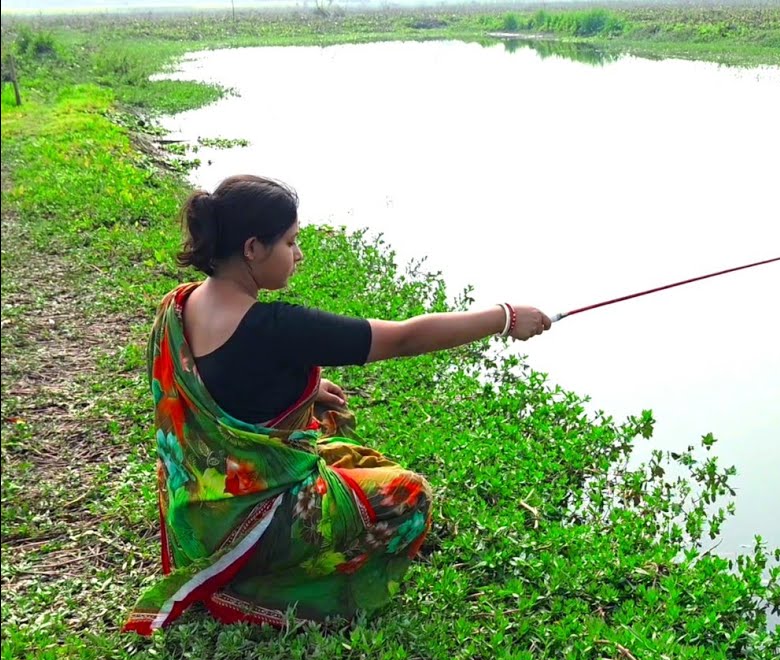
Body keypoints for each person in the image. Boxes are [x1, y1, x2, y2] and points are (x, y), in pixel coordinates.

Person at [123, 174, 552, 635]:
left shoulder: (178, 305)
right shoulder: (278, 327)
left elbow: (228, 382)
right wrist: (504, 318)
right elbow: (404, 337)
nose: (299, 254)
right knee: (408, 493)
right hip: (253, 525)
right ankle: (267, 578)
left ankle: (261, 539)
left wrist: (308, 390)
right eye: (290, 241)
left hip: (196, 512)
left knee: (337, 428)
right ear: (252, 248)